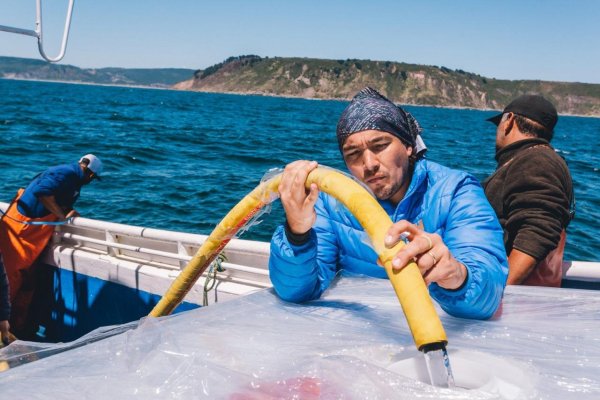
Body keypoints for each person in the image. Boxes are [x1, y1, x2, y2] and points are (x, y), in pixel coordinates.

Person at [269, 87, 508, 320]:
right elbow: (296, 292)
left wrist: (456, 275)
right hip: (358, 336)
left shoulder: (456, 190)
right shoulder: (330, 204)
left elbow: (488, 294)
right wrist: (297, 234)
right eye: (353, 153)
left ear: (408, 145)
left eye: (380, 146)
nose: (369, 163)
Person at [0, 154, 103, 334]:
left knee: (26, 283)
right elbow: (43, 193)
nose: (91, 180)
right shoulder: (66, 173)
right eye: (92, 177)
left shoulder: (73, 179)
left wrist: (67, 211)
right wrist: (61, 216)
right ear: (88, 171)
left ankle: (15, 331)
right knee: (10, 280)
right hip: (22, 231)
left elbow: (55, 197)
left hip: (32, 238)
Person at [483, 95, 574, 287]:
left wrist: (495, 293)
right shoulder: (543, 159)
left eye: (499, 122)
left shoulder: (535, 161)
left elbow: (538, 230)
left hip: (508, 303)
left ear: (509, 121)